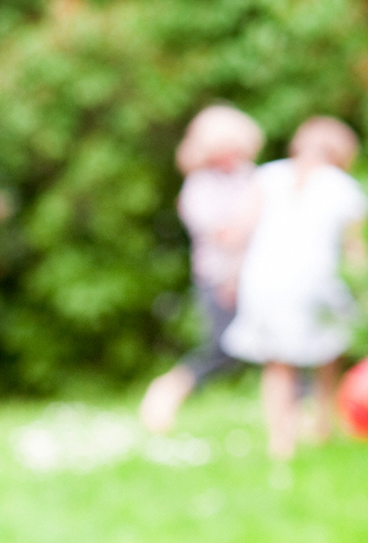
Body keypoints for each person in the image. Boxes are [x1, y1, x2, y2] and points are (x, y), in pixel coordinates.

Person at [223, 116, 368, 459]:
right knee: (328, 353)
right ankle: (321, 427)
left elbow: (240, 230)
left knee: (277, 363)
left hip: (264, 279)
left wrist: (230, 274)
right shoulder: (343, 186)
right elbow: (354, 250)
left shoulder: (268, 175)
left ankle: (280, 442)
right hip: (315, 280)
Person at [140, 105, 265, 432]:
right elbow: (227, 236)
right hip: (219, 279)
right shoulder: (199, 187)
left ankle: (300, 417)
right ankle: (168, 391)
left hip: (257, 277)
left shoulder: (249, 176)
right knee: (222, 351)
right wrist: (252, 217)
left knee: (279, 345)